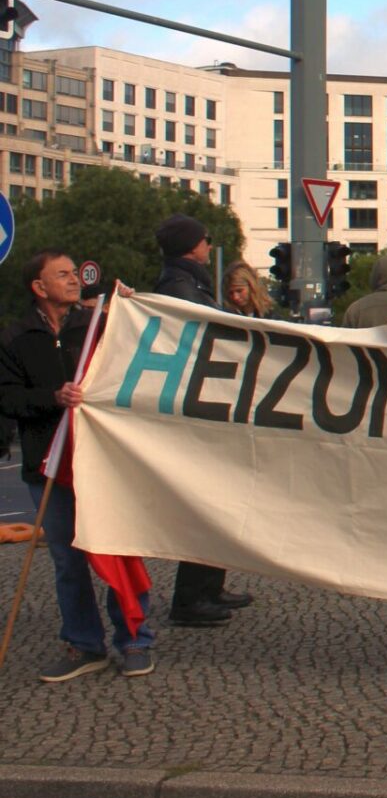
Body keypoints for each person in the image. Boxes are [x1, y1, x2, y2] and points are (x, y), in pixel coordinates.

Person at [0, 252, 157, 681]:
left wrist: (131, 309)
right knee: (68, 561)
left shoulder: (94, 327)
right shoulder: (15, 338)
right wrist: (53, 397)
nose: (74, 280)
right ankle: (84, 644)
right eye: (63, 275)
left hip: (103, 464)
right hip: (47, 465)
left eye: (74, 273)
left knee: (118, 548)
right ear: (38, 286)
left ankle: (135, 640)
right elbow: (7, 398)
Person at [151, 213, 251, 628]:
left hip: (205, 403)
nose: (210, 246)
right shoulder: (181, 286)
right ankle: (190, 599)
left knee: (218, 503)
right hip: (197, 409)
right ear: (192, 246)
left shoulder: (189, 283)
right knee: (205, 506)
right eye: (206, 240)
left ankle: (210, 585)